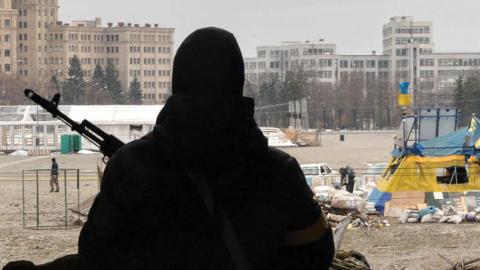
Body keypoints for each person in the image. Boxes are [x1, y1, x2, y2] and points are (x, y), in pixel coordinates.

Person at [4, 27, 334, 270]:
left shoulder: (132, 168)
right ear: (238, 85)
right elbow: (315, 256)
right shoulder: (280, 171)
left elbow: (97, 256)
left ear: (176, 83)